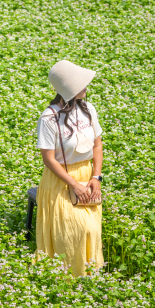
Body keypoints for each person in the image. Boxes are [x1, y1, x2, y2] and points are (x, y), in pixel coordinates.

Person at [36, 60, 104, 277]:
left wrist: (96, 177)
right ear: (69, 89)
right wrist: (73, 184)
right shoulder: (49, 118)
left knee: (92, 229)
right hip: (61, 179)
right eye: (81, 83)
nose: (86, 86)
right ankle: (68, 277)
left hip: (87, 174)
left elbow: (97, 145)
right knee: (74, 230)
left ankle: (90, 274)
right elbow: (48, 159)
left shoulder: (89, 109)